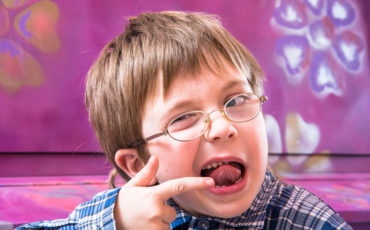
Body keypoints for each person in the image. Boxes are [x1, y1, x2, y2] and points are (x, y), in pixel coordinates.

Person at [18, 11, 351, 230]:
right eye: (184, 117)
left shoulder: (307, 221)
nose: (223, 127)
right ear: (136, 165)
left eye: (235, 100)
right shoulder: (126, 219)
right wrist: (116, 224)